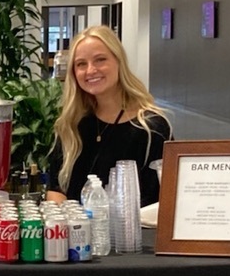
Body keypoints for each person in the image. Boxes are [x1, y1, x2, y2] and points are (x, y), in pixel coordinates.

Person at [45, 25, 172, 207]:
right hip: (72, 225)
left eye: (100, 60)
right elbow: (56, 190)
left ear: (119, 62)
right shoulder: (72, 124)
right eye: (81, 64)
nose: (90, 70)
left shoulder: (151, 128)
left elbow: (159, 201)